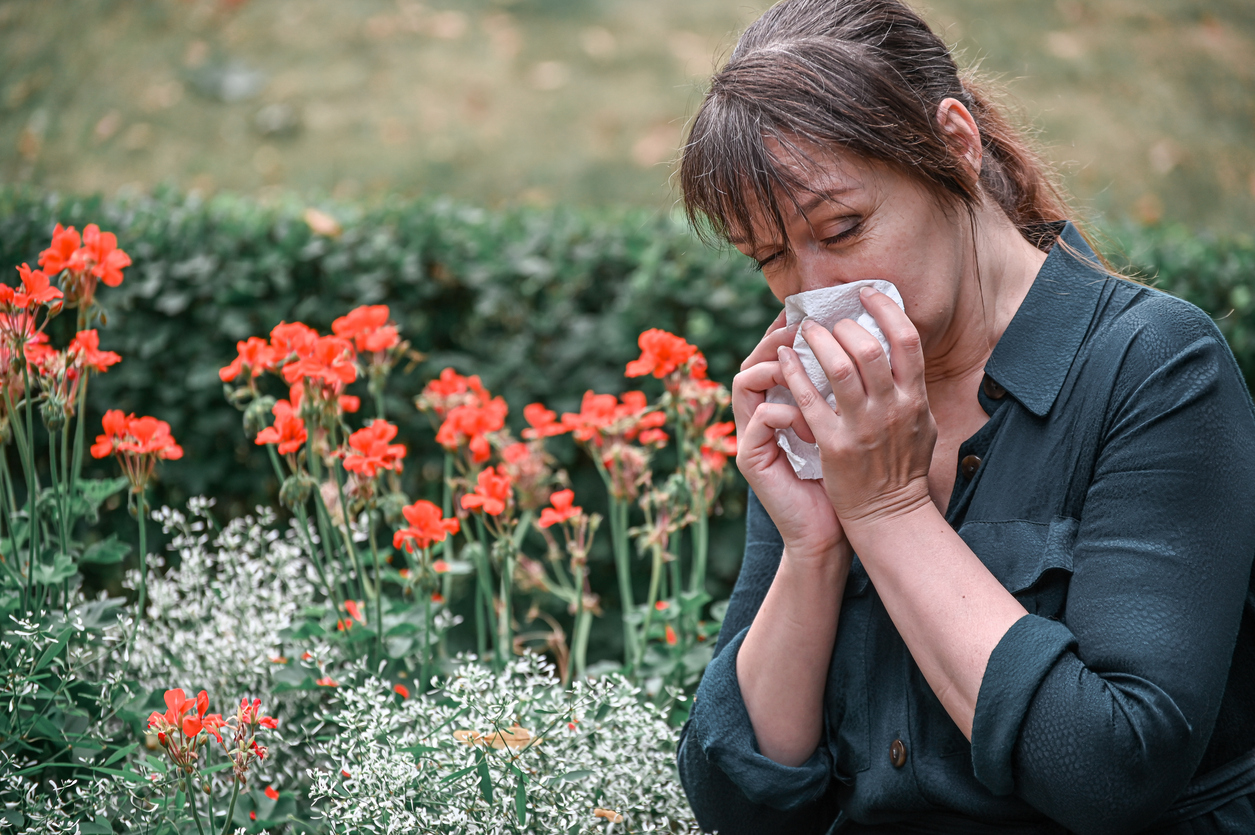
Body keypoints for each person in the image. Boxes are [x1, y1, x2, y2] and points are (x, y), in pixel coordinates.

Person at [673, 1, 1255, 833]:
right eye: (768, 257)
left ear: (954, 142)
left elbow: (1111, 769)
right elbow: (737, 802)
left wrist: (887, 510)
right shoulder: (829, 399)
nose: (810, 289)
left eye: (842, 227)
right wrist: (813, 547)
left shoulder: (1154, 365)